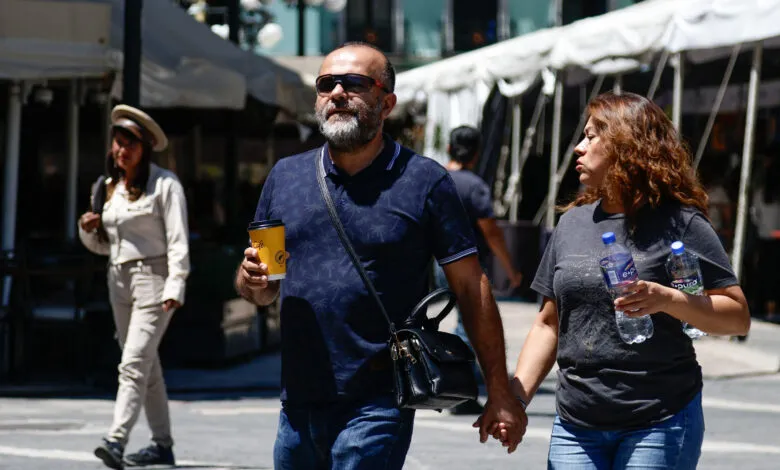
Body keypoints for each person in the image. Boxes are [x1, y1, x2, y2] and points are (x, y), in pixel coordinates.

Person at [235, 42, 526, 470]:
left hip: (378, 402)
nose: (336, 93)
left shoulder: (424, 181)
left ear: (386, 102)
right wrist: (251, 281)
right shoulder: (285, 177)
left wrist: (499, 390)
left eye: (353, 83)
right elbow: (261, 290)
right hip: (296, 402)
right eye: (325, 84)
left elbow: (470, 285)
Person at [506, 92, 750, 469]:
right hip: (576, 424)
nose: (578, 148)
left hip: (658, 419)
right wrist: (515, 399)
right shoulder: (572, 224)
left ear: (626, 144)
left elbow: (736, 316)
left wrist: (667, 299)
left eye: (591, 136)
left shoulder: (680, 223)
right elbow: (548, 324)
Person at [79, 105, 190, 469]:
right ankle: (162, 444)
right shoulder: (109, 188)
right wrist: (89, 229)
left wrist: (176, 284)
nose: (121, 150)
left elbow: (178, 240)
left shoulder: (165, 184)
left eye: (130, 144)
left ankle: (116, 439)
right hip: (118, 281)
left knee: (132, 365)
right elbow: (103, 247)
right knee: (146, 366)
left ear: (145, 148)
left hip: (153, 282)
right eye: (118, 142)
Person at [434, 125, 524, 415]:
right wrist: (510, 269)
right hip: (467, 262)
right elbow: (491, 233)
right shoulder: (475, 186)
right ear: (475, 154)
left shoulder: (435, 179)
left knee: (454, 321)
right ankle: (459, 389)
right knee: (469, 323)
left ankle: (458, 384)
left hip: (436, 262)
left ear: (449, 148)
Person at [750, 154, 780, 321]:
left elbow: (755, 216)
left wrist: (765, 228)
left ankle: (764, 307)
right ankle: (774, 307)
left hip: (764, 237)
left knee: (764, 274)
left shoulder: (760, 192)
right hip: (778, 238)